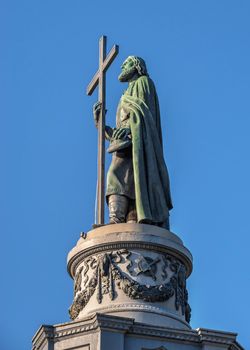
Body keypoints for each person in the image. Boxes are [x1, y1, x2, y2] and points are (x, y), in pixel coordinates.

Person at [93, 56, 172, 229]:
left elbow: (145, 114)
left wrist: (130, 130)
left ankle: (122, 218)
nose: (122, 65)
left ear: (137, 66)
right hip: (125, 143)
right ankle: (120, 219)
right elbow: (119, 130)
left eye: (127, 63)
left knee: (120, 174)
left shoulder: (143, 83)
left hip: (138, 143)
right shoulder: (124, 96)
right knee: (126, 179)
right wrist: (101, 125)